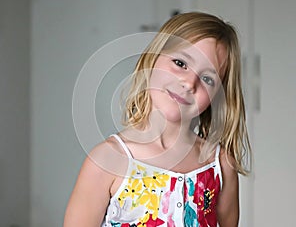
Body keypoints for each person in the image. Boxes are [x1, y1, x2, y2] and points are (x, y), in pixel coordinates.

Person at [64, 12, 251, 227]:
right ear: (151, 60)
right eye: (180, 63)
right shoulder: (107, 161)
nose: (189, 83)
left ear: (218, 95)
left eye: (207, 78)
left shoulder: (220, 164)